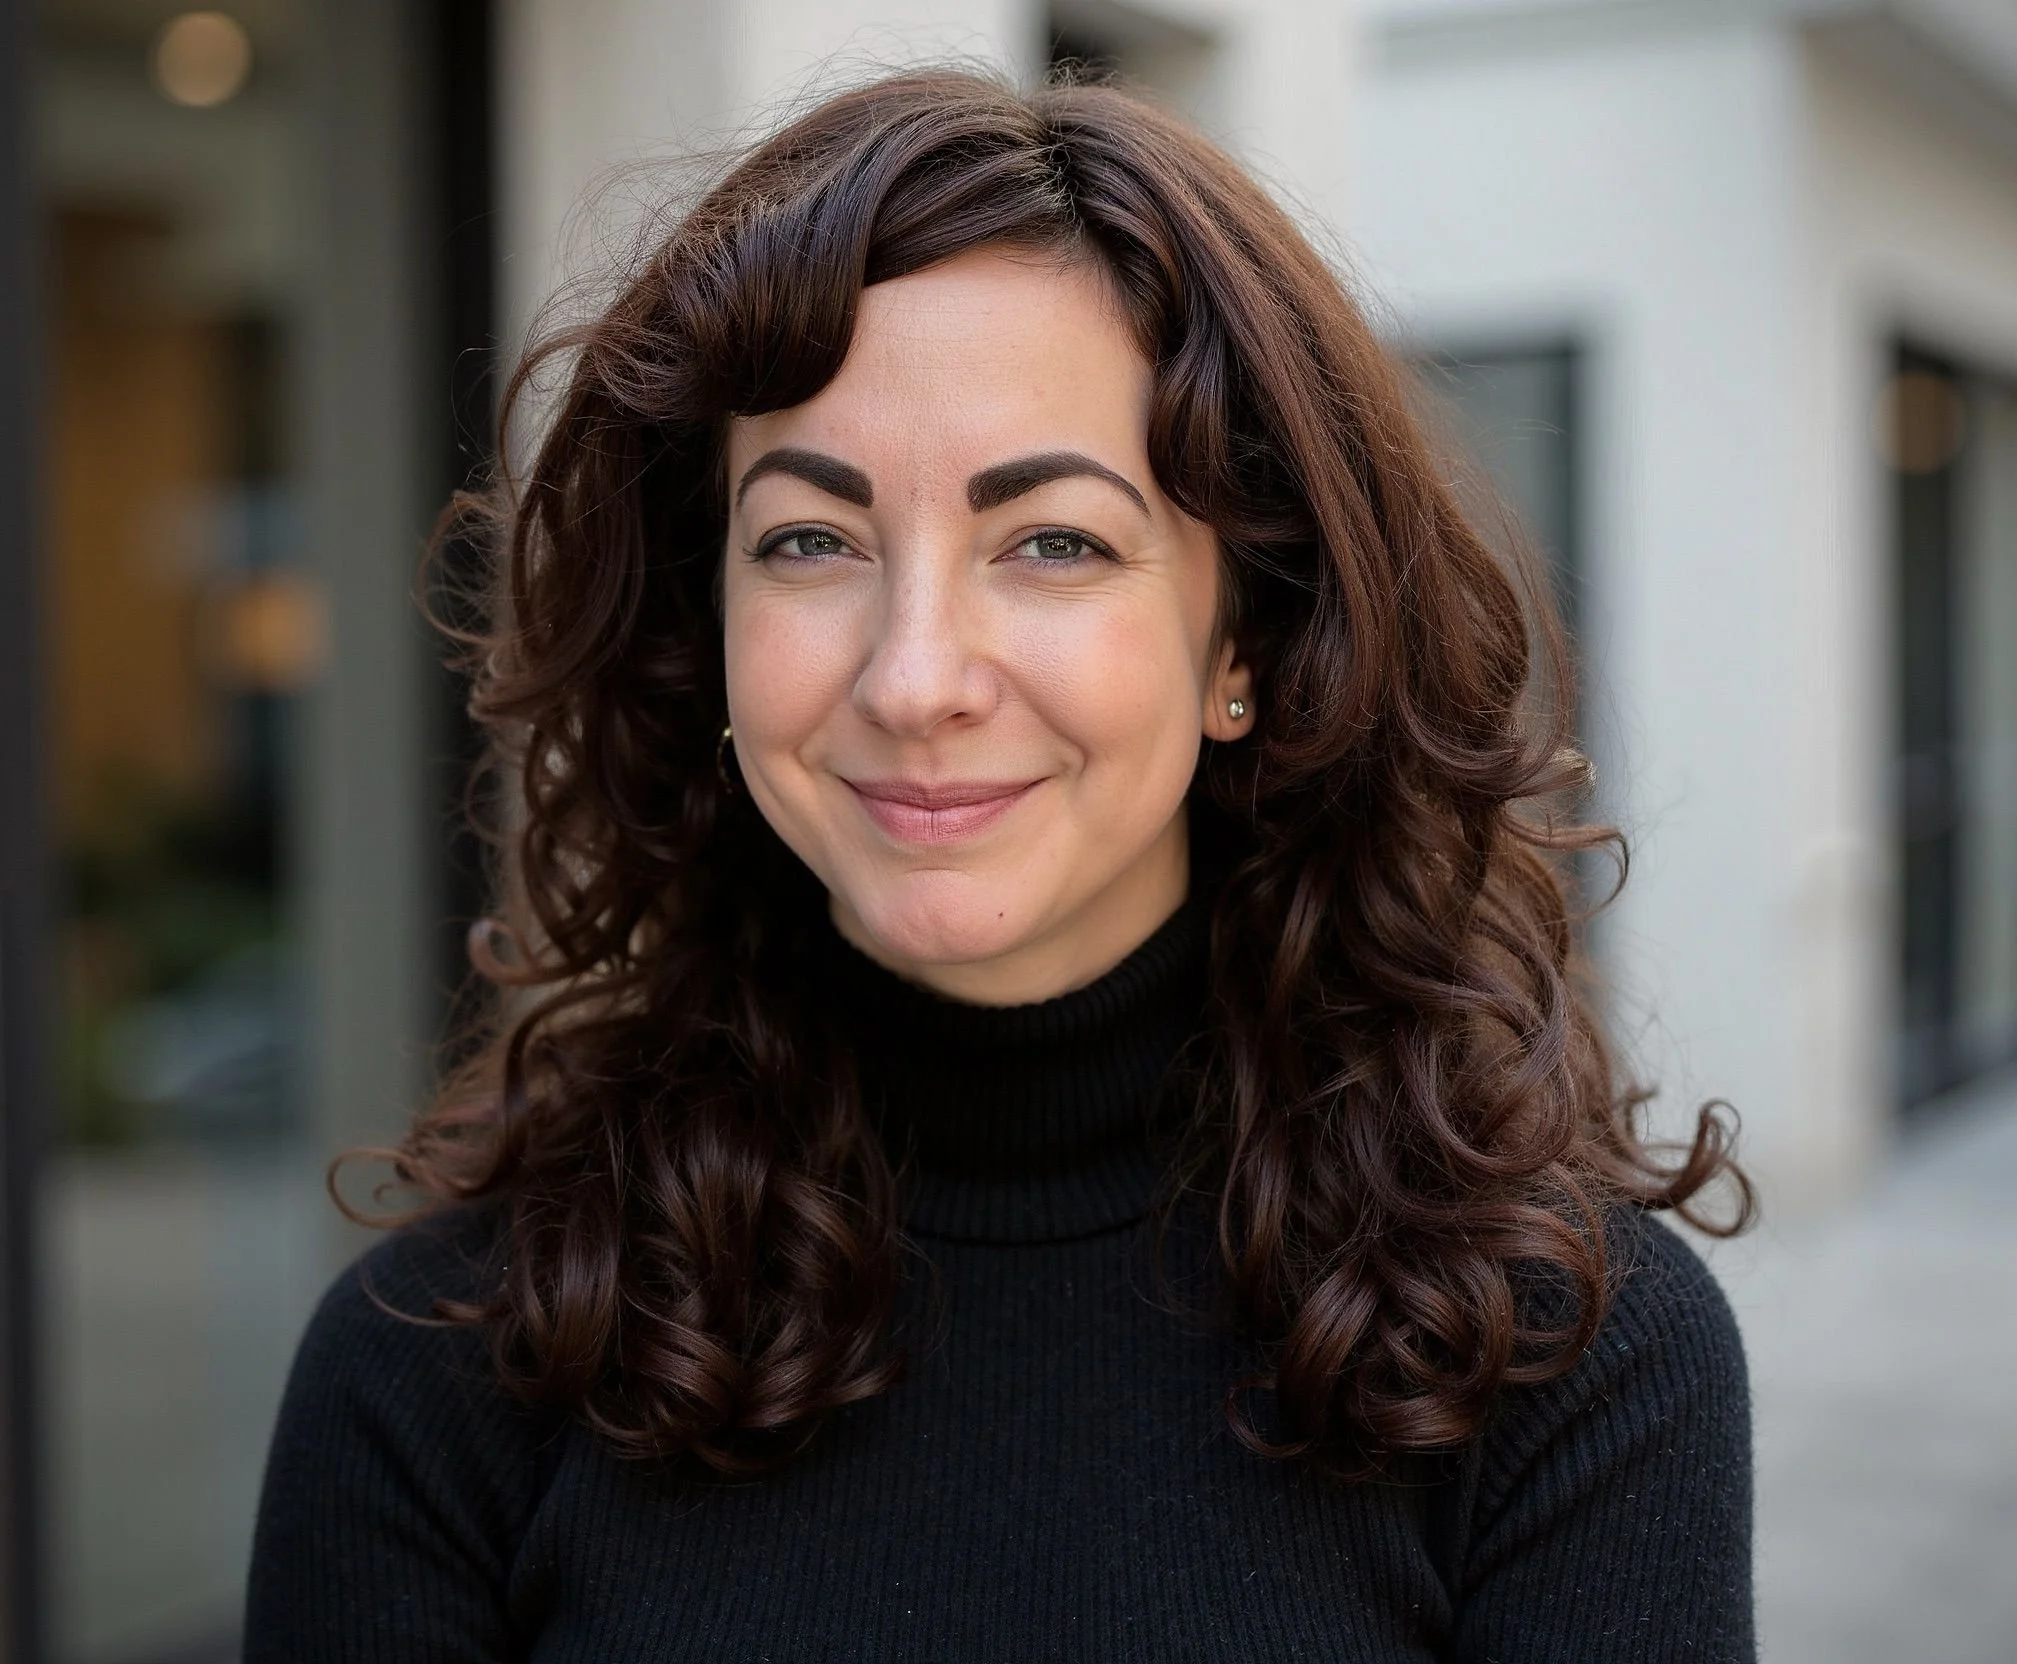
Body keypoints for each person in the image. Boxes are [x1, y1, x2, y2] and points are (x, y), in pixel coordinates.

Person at [245, 69, 1754, 1662]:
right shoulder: (448, 1361)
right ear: (709, 623)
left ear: (1246, 640)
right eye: (810, 541)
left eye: (1053, 543)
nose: (914, 679)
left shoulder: (1565, 1366)